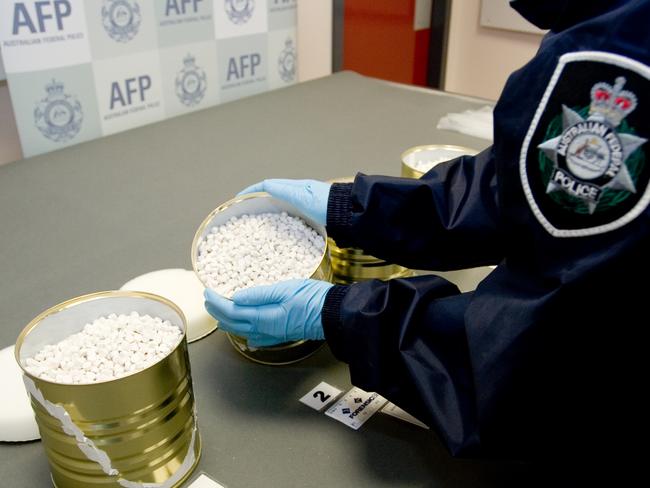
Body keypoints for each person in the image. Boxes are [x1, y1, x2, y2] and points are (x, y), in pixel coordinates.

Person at [205, 0, 649, 459]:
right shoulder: (610, 23)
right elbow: (526, 183)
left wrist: (345, 316)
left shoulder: (627, 47)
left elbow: (535, 364)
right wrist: (356, 209)